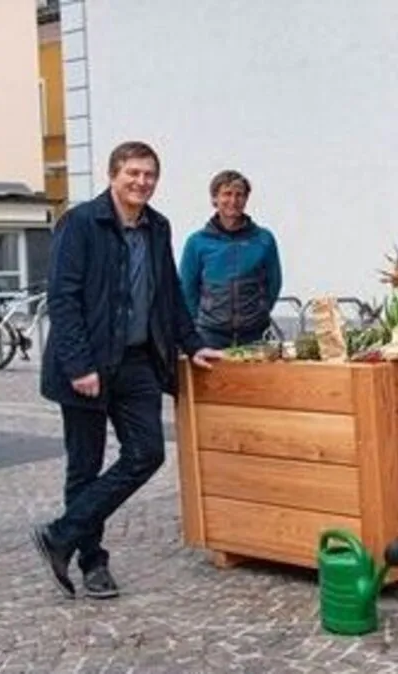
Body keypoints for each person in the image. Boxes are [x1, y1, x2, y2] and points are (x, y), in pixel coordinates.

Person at [33, 141, 223, 599]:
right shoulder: (80, 223)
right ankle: (92, 562)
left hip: (137, 361)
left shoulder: (158, 227)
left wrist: (193, 344)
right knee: (85, 465)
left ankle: (61, 534)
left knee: (147, 452)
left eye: (149, 175)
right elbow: (63, 298)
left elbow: (170, 293)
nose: (141, 182)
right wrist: (79, 364)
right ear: (113, 175)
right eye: (133, 173)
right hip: (86, 365)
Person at [178, 170, 283, 348]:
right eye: (227, 194)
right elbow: (187, 288)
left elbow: (274, 283)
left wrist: (260, 310)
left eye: (239, 195)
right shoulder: (197, 242)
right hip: (210, 336)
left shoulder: (264, 239)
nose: (233, 201)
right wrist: (202, 319)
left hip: (255, 335)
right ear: (214, 199)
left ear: (246, 199)